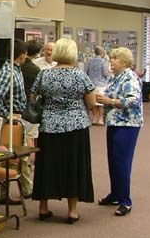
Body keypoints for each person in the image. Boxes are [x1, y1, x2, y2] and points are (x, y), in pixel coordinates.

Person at [31, 38, 95, 224]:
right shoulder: (80, 76)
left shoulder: (44, 75)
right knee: (73, 166)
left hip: (49, 126)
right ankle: (72, 211)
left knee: (47, 165)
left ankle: (43, 208)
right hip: (76, 127)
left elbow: (33, 96)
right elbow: (91, 103)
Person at [95, 47, 143, 216]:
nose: (112, 61)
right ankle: (115, 194)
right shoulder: (115, 78)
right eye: (111, 58)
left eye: (115, 58)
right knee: (113, 160)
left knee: (122, 162)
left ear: (124, 61)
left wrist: (110, 101)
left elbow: (134, 100)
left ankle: (125, 200)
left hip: (128, 125)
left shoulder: (130, 77)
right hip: (114, 123)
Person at [0, 39, 31, 204]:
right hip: (12, 119)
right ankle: (2, 195)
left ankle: (25, 190)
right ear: (22, 55)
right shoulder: (9, 72)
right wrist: (7, 115)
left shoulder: (15, 69)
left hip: (18, 118)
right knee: (9, 157)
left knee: (20, 156)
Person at [20, 40, 43, 165]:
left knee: (20, 135)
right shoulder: (36, 70)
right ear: (37, 54)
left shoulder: (18, 67)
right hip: (31, 105)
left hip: (18, 105)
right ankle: (28, 164)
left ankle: (22, 162)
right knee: (30, 136)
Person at [85, 46, 109, 125]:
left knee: (94, 102)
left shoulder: (90, 61)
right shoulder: (103, 62)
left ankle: (94, 118)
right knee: (101, 102)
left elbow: (86, 72)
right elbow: (105, 73)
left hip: (92, 84)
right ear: (102, 53)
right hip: (101, 84)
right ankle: (101, 119)